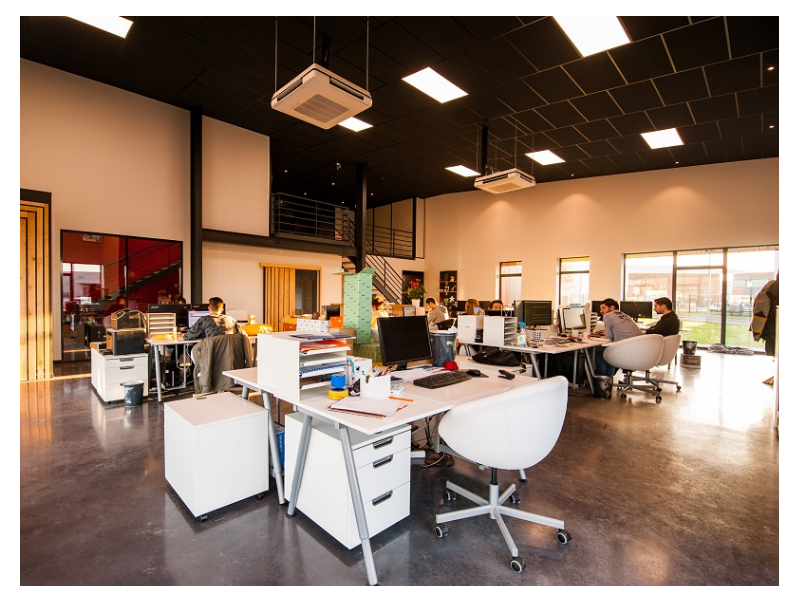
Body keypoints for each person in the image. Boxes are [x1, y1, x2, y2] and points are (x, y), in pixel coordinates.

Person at [593, 298, 643, 395]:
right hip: (637, 350)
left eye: (603, 308)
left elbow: (610, 337)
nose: (601, 311)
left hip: (625, 351)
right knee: (610, 351)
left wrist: (606, 333)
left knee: (599, 350)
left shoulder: (608, 316)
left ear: (612, 308)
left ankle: (603, 379)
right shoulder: (625, 315)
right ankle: (609, 378)